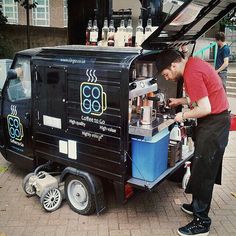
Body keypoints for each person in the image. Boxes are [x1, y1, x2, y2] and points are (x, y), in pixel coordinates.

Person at [155, 49, 230, 236]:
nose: (168, 78)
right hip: (215, 122)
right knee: (201, 165)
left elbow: (204, 107)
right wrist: (180, 100)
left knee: (204, 171)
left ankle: (201, 222)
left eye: (166, 74)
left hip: (214, 123)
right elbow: (200, 95)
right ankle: (197, 206)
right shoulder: (194, 64)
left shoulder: (191, 72)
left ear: (174, 65)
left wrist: (182, 115)